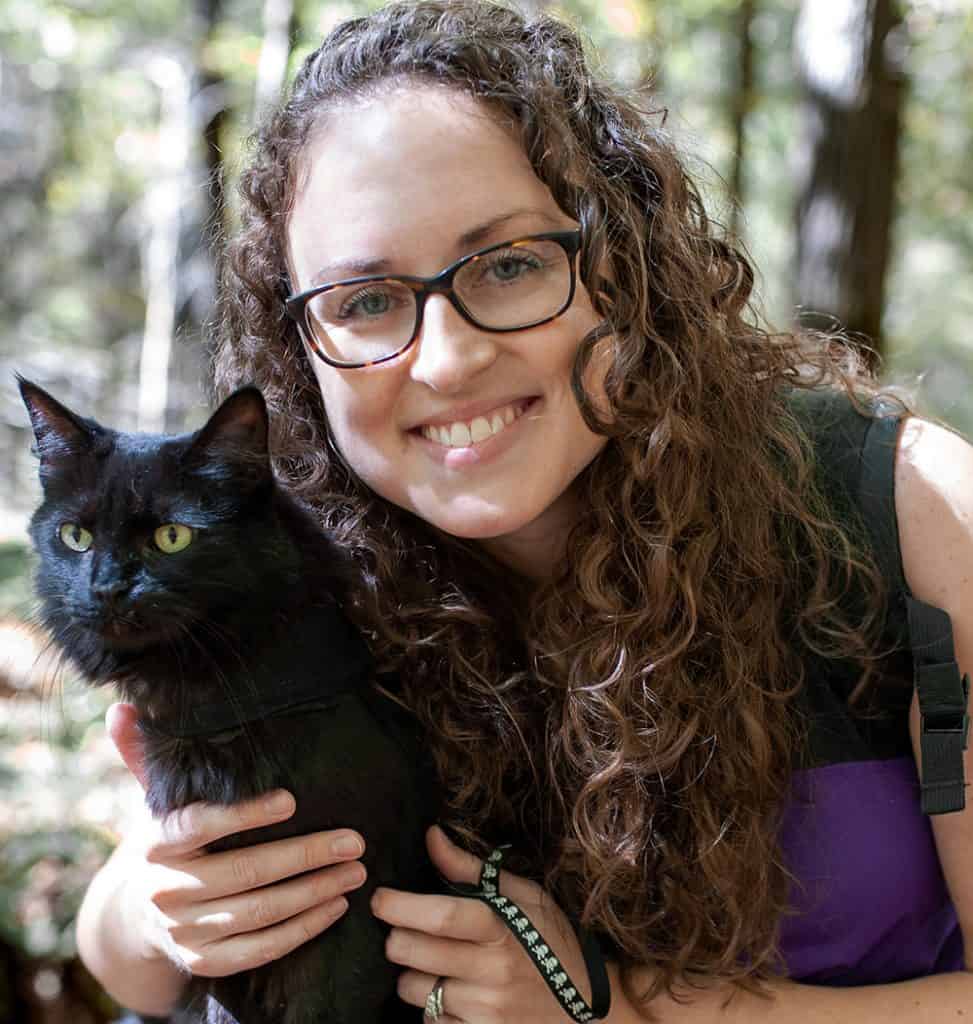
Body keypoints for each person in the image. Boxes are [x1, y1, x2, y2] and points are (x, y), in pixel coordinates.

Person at [76, 1, 973, 1021]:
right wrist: (156, 901)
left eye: (508, 267)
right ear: (297, 349)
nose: (448, 359)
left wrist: (611, 1009)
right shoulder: (291, 564)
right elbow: (128, 960)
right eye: (365, 301)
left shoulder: (906, 509)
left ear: (619, 267)